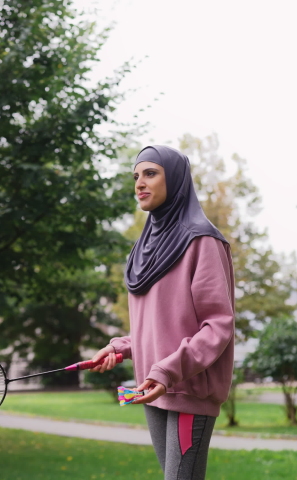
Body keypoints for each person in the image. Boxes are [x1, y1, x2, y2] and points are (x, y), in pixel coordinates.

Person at [91, 145, 235, 480]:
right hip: (153, 387)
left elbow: (217, 326)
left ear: (176, 179)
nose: (139, 183)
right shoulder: (143, 249)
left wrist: (168, 370)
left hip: (188, 388)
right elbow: (158, 326)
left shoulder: (201, 240)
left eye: (151, 173)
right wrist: (119, 347)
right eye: (136, 176)